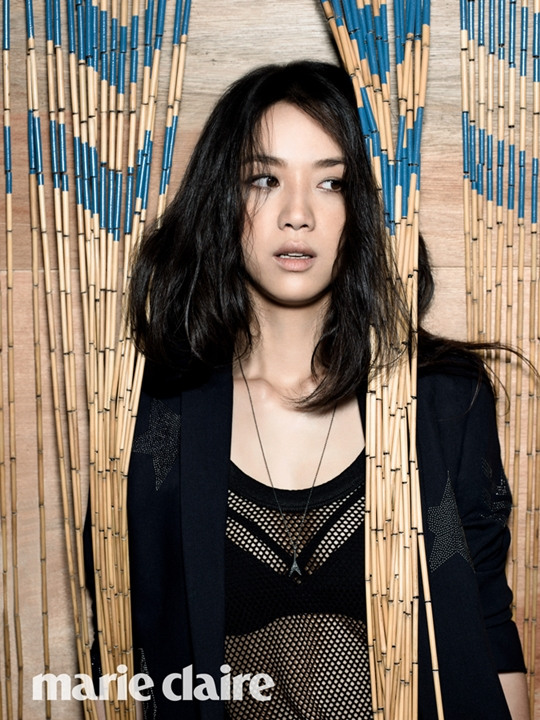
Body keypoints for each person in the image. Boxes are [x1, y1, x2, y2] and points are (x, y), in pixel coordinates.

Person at [109, 61, 528, 719]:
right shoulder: (151, 418)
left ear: (366, 209)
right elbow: (131, 648)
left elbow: (489, 625)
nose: (297, 214)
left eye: (332, 182)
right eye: (265, 179)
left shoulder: (443, 401)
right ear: (223, 199)